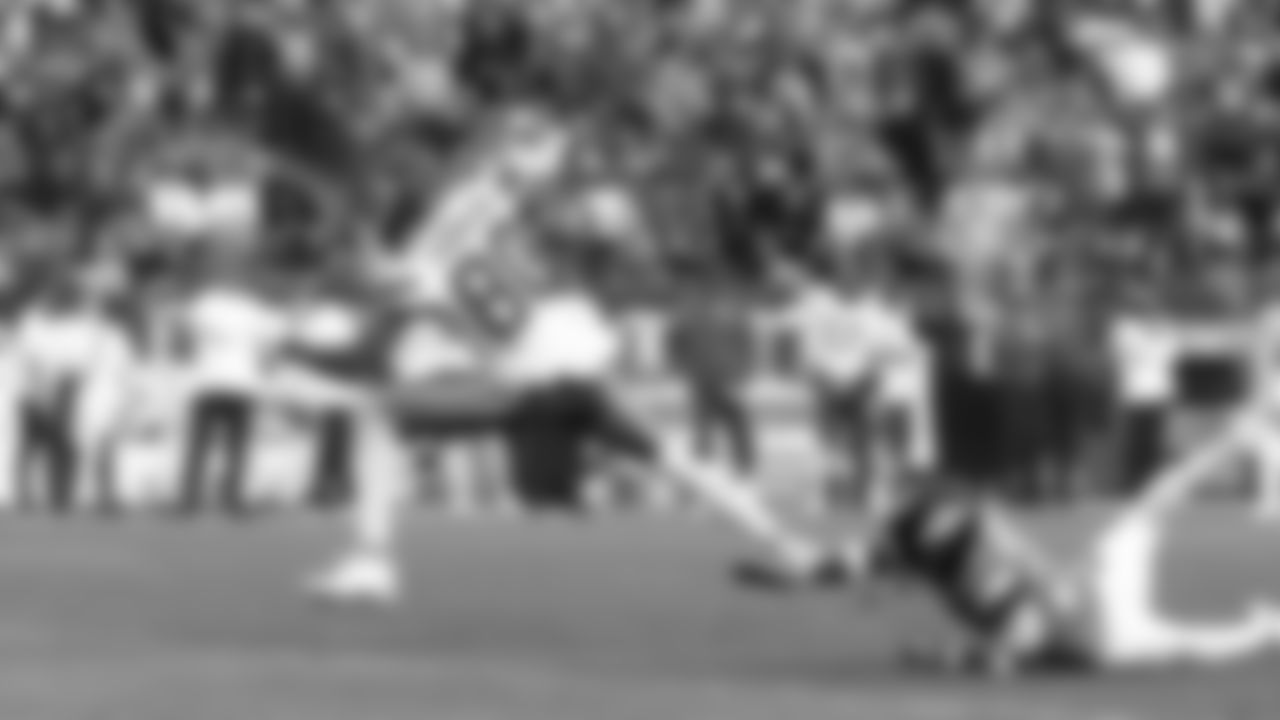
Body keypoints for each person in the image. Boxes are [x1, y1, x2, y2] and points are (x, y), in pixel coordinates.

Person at [305, 255, 852, 605]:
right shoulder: (484, 259)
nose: (364, 286)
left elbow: (366, 356)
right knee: (677, 458)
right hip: (581, 378)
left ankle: (372, 560)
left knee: (378, 416)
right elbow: (530, 299)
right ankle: (792, 545)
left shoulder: (418, 284)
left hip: (523, 391)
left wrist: (290, 349)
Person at [851, 436, 1280, 676]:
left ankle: (1226, 448)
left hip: (1098, 623)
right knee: (1187, 635)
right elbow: (1016, 628)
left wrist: (945, 656)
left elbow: (1017, 639)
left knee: (1186, 639)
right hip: (1095, 610)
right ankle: (1225, 448)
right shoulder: (954, 541)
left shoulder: (970, 556)